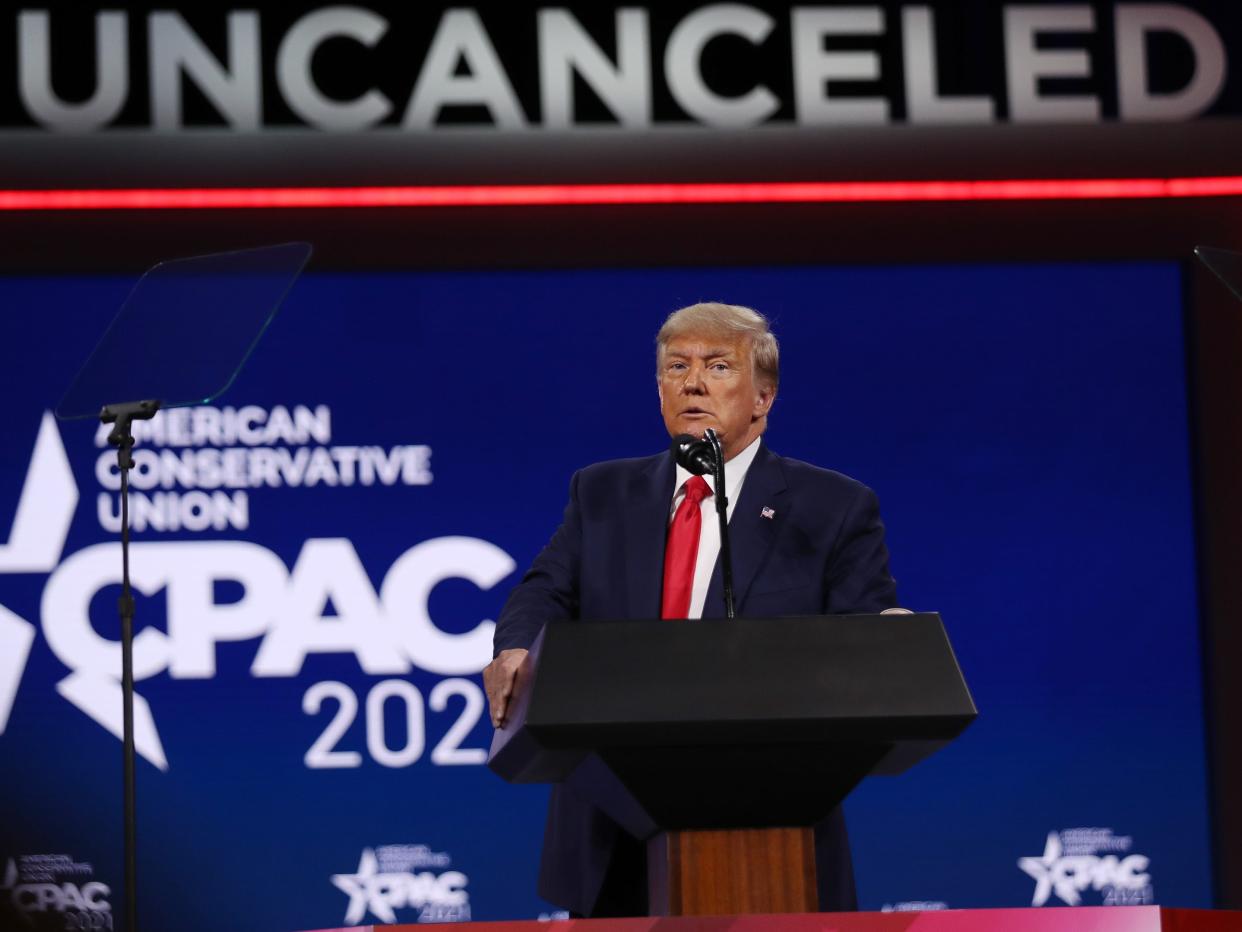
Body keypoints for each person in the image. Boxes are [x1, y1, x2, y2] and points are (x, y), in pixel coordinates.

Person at [484, 301, 898, 917]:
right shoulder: (602, 492)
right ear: (659, 391)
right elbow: (546, 588)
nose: (693, 382)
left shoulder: (831, 507)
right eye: (676, 366)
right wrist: (515, 645)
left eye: (719, 366)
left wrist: (884, 640)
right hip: (611, 826)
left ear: (763, 398)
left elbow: (864, 637)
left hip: (772, 829)